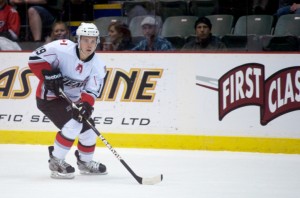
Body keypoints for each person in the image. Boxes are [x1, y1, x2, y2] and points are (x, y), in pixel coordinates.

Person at [28, 22, 107, 179]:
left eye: (93, 40)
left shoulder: (98, 65)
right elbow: (34, 58)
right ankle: (56, 161)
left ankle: (85, 162)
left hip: (72, 100)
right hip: (48, 98)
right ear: (78, 40)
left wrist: (86, 105)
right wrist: (48, 74)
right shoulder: (61, 48)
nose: (89, 44)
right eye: (85, 40)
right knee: (74, 125)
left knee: (90, 130)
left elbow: (91, 91)